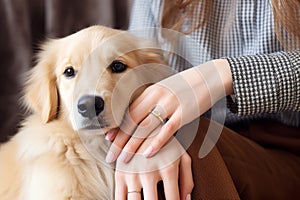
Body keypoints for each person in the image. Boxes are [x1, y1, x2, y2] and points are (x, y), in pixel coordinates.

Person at [105, 0, 300, 199]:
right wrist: (149, 134)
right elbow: (139, 73)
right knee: (163, 156)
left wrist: (222, 75)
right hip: (207, 135)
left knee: (192, 146)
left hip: (290, 145)